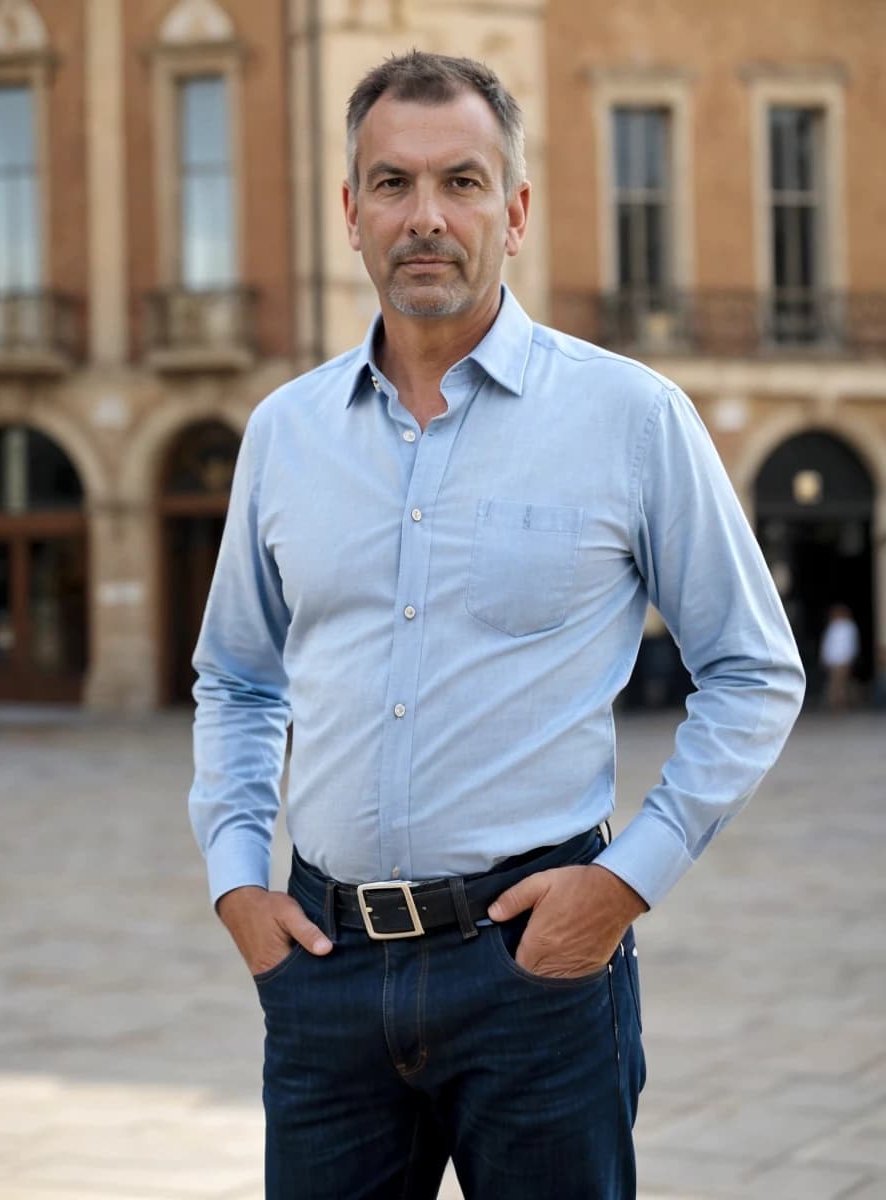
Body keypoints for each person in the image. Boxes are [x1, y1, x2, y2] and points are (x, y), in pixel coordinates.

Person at [189, 51, 805, 1200]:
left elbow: (753, 670)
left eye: (462, 182)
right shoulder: (283, 433)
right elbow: (234, 677)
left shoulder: (629, 418)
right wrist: (237, 883)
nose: (425, 217)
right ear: (350, 214)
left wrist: (622, 886)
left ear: (514, 212)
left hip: (537, 976)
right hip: (321, 978)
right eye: (392, 184)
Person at [820, 603, 860, 709]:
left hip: (843, 659)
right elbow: (828, 644)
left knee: (841, 683)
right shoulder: (833, 626)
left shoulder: (849, 626)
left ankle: (841, 703)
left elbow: (851, 643)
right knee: (834, 683)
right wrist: (825, 658)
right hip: (834, 660)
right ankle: (835, 703)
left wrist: (850, 657)